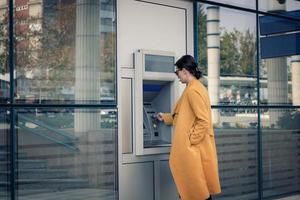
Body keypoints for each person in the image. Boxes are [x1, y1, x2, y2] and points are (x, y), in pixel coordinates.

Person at [157, 55, 221, 200]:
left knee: (195, 192)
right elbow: (184, 115)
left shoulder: (193, 91)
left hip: (192, 151)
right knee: (194, 191)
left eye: (177, 72)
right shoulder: (195, 88)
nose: (177, 75)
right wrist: (165, 117)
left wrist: (190, 140)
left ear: (185, 70)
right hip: (194, 150)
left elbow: (203, 121)